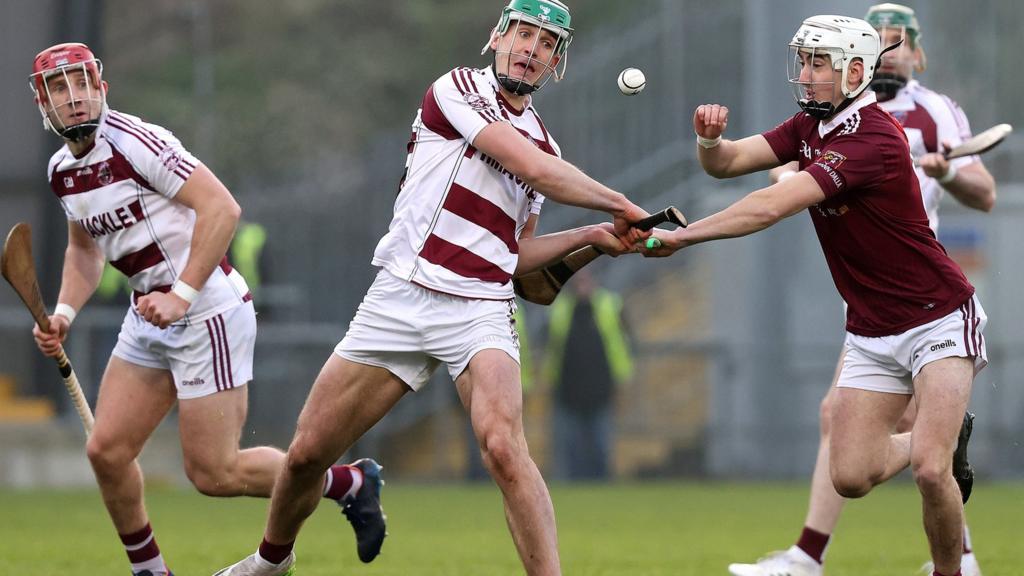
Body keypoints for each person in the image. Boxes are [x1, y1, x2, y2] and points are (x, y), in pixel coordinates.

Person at [213, 1, 651, 574]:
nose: (530, 50)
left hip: (480, 307)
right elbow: (536, 170)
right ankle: (271, 563)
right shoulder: (457, 88)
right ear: (497, 37)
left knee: (503, 448)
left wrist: (593, 235)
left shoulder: (549, 146)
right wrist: (619, 204)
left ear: (556, 63)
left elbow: (514, 259)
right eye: (522, 34)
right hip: (401, 292)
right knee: (306, 455)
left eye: (546, 44)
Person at [644, 14, 986, 576]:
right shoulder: (809, 126)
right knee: (850, 475)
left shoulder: (873, 137)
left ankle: (952, 568)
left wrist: (685, 237)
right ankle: (944, 436)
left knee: (929, 469)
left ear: (855, 72)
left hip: (938, 316)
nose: (804, 74)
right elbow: (728, 163)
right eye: (802, 61)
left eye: (817, 63)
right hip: (872, 330)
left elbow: (771, 205)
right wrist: (708, 140)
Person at [28, 43, 379, 576]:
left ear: (101, 87)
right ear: (42, 102)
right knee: (106, 452)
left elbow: (222, 207)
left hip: (206, 305)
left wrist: (181, 296)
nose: (73, 96)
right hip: (148, 313)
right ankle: (151, 572)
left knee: (214, 474)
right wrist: (64, 315)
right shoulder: (62, 172)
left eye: (82, 82)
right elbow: (83, 250)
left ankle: (347, 482)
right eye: (59, 88)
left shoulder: (137, 143)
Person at [545, 269, 633, 480]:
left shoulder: (609, 305)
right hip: (568, 389)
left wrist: (622, 380)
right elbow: (553, 347)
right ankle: (575, 483)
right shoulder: (561, 308)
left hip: (600, 387)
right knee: (571, 444)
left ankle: (601, 481)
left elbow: (623, 343)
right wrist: (550, 380)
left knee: (600, 443)